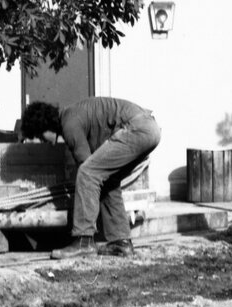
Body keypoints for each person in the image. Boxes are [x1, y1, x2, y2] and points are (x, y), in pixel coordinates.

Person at [22, 97, 160, 259]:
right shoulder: (74, 115)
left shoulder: (69, 123)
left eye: (41, 136)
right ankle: (121, 242)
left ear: (44, 125)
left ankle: (83, 242)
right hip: (149, 129)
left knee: (87, 173)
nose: (45, 142)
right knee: (108, 180)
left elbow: (86, 166)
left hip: (137, 129)